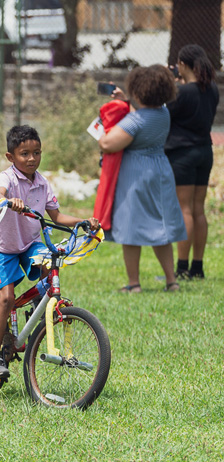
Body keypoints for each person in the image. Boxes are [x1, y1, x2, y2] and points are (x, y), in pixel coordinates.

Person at [0, 125, 100, 383]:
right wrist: (7, 200)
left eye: (36, 153)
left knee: (50, 262)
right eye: (24, 154)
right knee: (6, 299)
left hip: (29, 244)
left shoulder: (42, 183)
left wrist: (83, 221)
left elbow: (56, 216)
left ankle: (40, 306)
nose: (32, 158)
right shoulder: (8, 177)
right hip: (4, 247)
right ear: (10, 157)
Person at [99, 65, 186, 293]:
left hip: (135, 173)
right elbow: (144, 112)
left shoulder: (135, 120)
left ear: (139, 90)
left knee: (130, 226)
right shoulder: (163, 113)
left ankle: (134, 283)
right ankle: (172, 281)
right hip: (160, 169)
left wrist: (100, 127)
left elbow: (107, 144)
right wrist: (126, 101)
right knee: (160, 227)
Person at [166, 44, 219, 280]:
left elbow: (166, 112)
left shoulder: (182, 92)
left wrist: (171, 84)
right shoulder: (212, 89)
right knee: (198, 209)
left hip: (182, 154)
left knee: (184, 209)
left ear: (182, 64)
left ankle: (181, 268)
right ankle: (197, 267)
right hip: (205, 151)